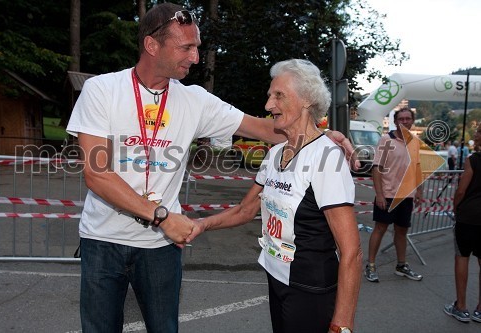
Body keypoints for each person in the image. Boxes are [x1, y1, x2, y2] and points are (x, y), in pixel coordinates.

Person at [66, 3, 357, 332]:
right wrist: (161, 215)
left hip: (160, 248)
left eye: (197, 47)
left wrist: (320, 134)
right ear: (152, 45)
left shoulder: (196, 100)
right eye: (186, 47)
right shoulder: (101, 91)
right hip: (104, 240)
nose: (195, 57)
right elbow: (97, 173)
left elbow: (260, 127)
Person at [188, 59, 362, 333]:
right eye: (270, 96)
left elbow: (351, 251)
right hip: (276, 276)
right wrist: (201, 224)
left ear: (307, 100)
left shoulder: (326, 157)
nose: (269, 105)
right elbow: (245, 210)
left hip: (310, 286)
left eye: (278, 95)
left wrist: (343, 325)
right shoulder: (273, 154)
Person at [364, 107, 424, 283]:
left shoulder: (415, 142)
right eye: (401, 119)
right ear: (396, 121)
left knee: (401, 231)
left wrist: (419, 190)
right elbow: (377, 169)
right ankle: (371, 265)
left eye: (408, 119)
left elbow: (418, 168)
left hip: (406, 195)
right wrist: (380, 195)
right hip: (388, 194)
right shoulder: (386, 139)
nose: (405, 122)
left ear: (412, 121)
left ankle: (401, 265)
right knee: (380, 229)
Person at [444, 123, 481, 323]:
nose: (475, 134)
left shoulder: (473, 160)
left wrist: (456, 208)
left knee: (462, 257)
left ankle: (461, 306)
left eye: (478, 132)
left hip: (469, 216)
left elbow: (461, 191)